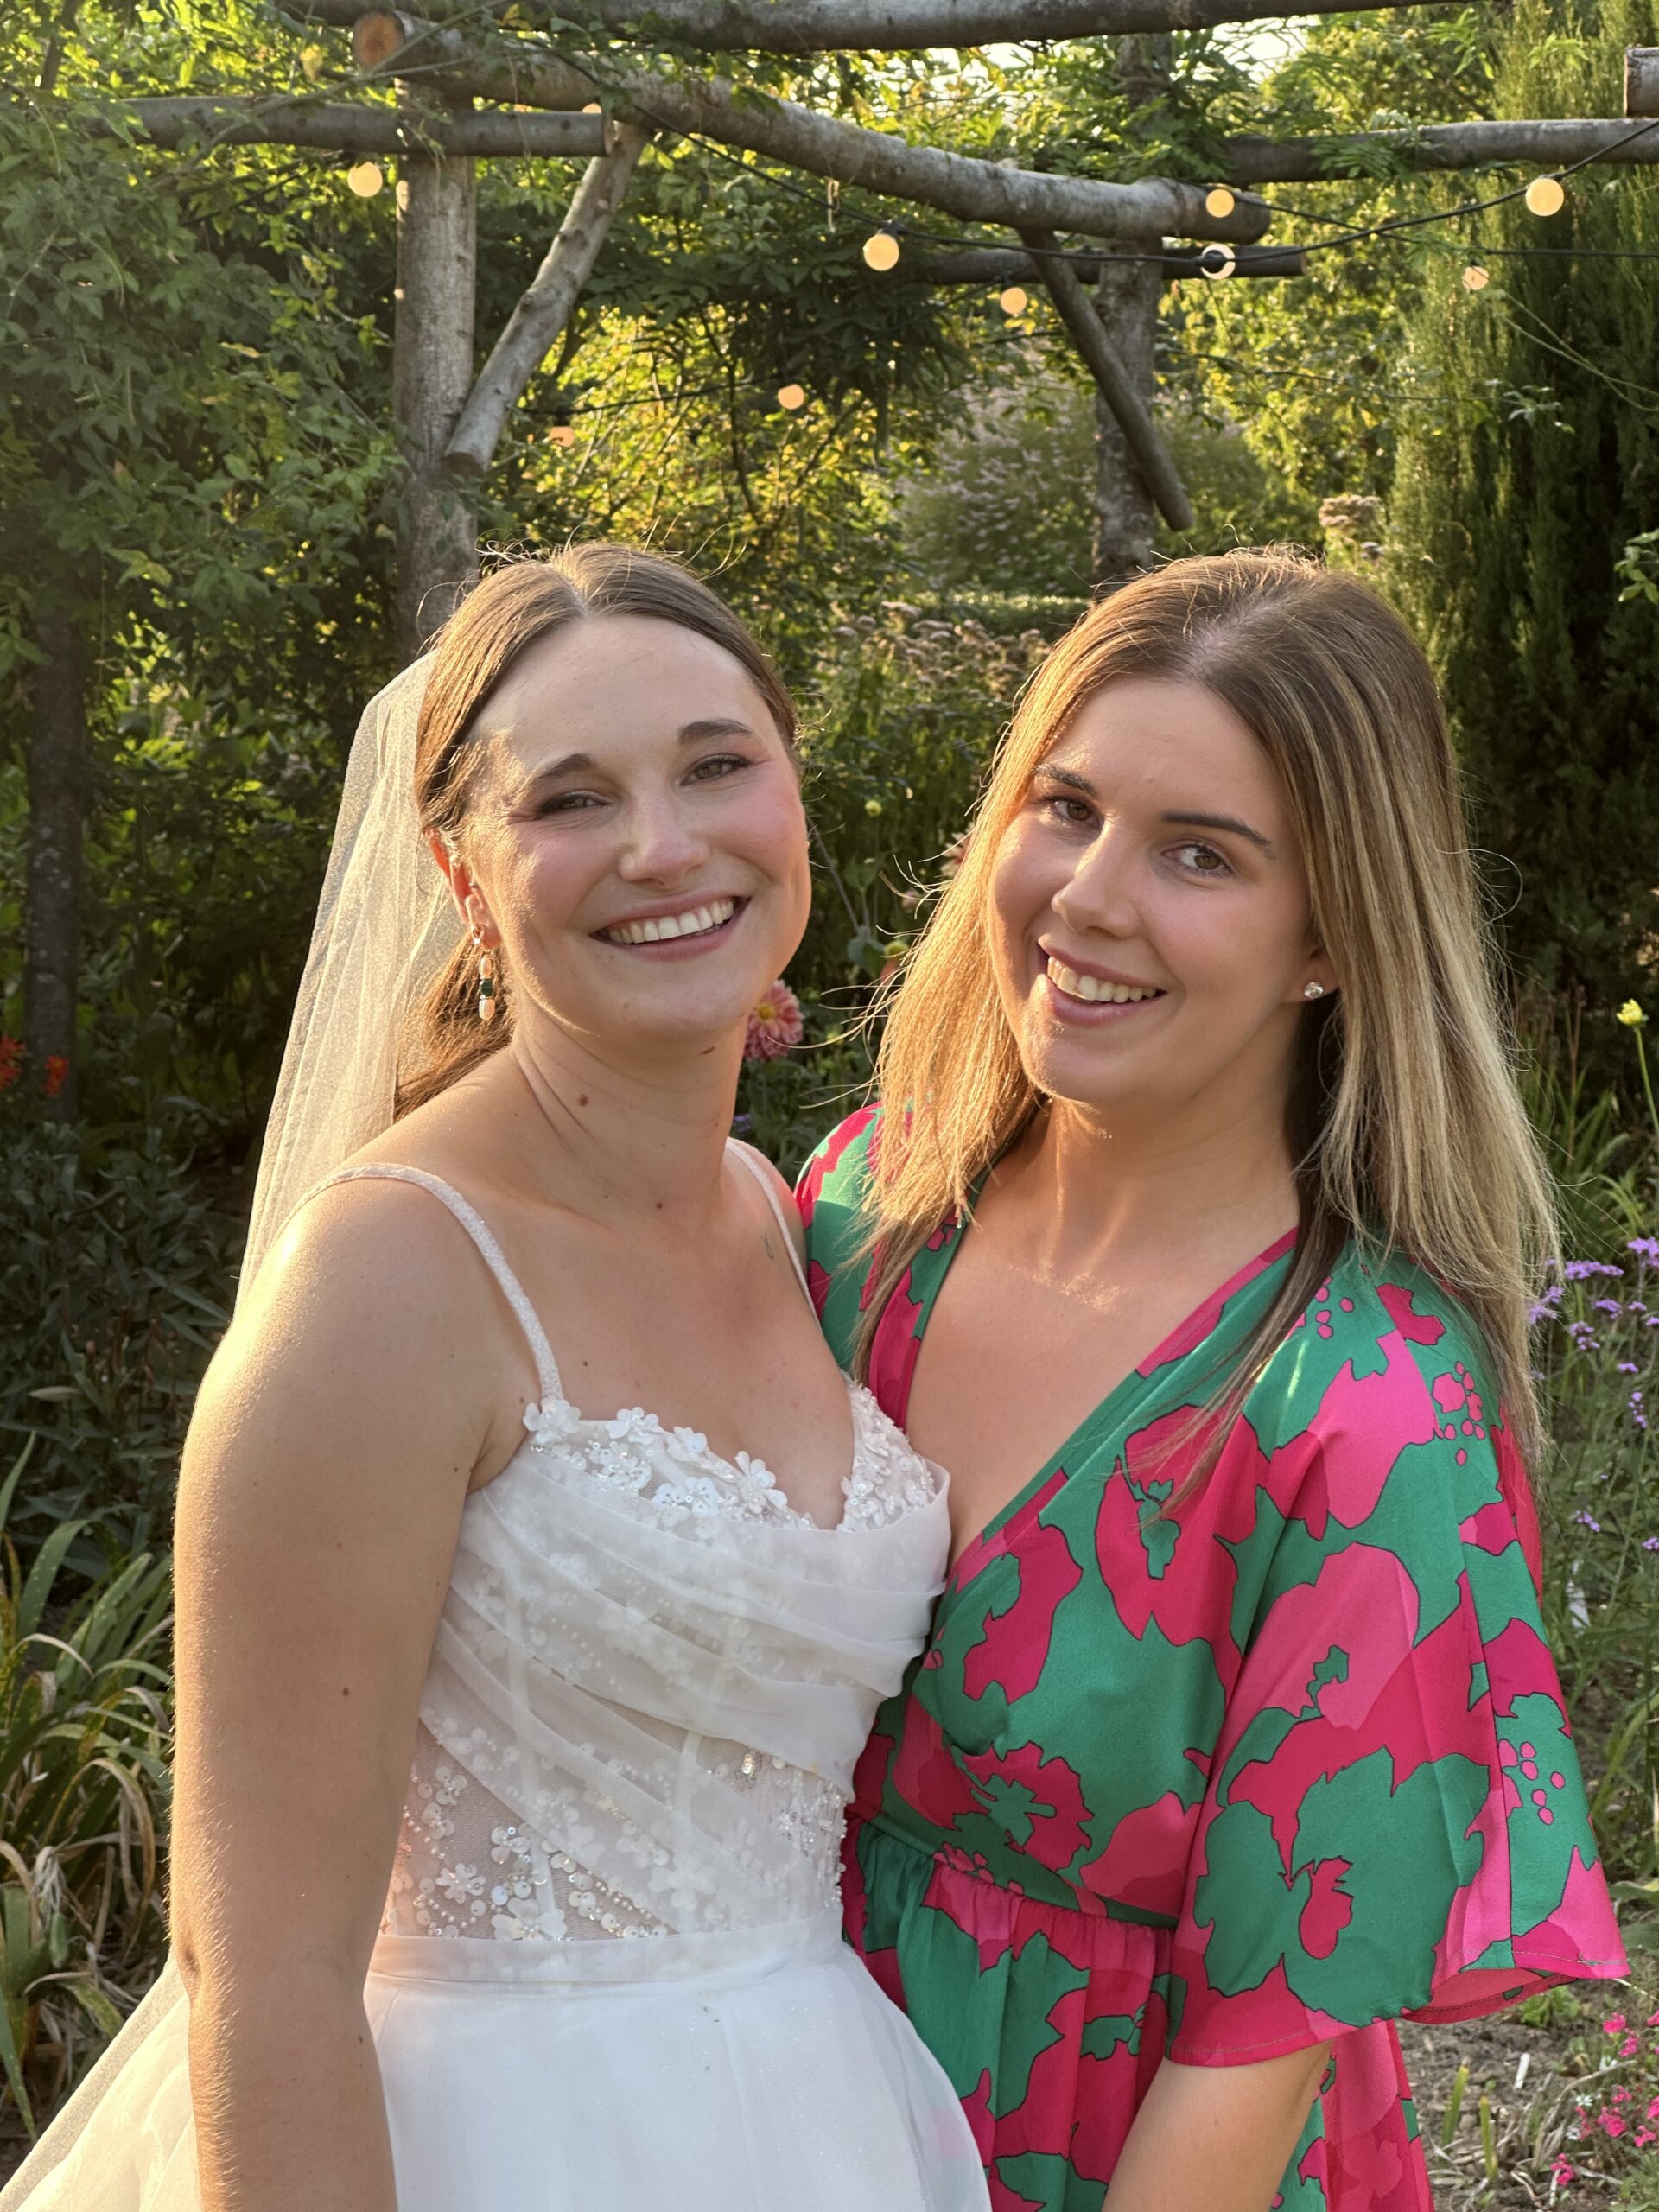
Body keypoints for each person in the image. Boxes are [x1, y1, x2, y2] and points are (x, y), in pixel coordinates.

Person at [2, 546, 988, 2212]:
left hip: (823, 2114)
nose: (662, 846)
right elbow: (261, 1967)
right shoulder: (388, 1281)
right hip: (496, 2137)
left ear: (793, 799)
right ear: (464, 881)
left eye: (717, 765)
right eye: (572, 800)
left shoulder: (779, 1213)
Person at [798, 550, 1628, 2212]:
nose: (1090, 899)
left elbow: (1255, 2056)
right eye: (1068, 808)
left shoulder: (1369, 1415)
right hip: (762, 2100)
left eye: (1200, 854)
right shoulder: (862, 1215)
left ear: (1331, 939)